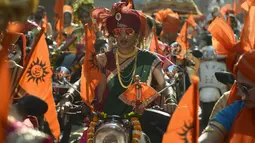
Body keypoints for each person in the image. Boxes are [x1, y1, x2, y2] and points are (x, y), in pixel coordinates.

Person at [58, 4, 177, 116]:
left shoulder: (149, 59)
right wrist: (67, 97)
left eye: (129, 31)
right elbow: (83, 80)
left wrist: (171, 100)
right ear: (114, 35)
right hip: (106, 123)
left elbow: (164, 82)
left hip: (141, 124)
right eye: (118, 32)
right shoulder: (104, 59)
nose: (123, 37)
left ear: (137, 35)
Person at [199, 50, 255, 143]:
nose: (239, 93)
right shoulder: (236, 109)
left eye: (245, 88)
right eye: (238, 86)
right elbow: (211, 133)